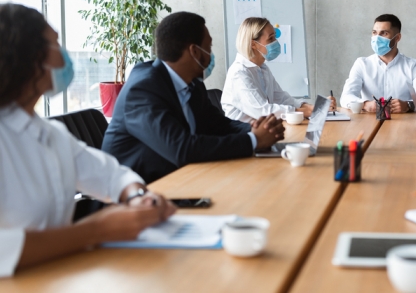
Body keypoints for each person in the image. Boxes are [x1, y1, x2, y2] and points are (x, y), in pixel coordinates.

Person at [0, 3, 175, 278]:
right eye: (56, 45)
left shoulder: (49, 133)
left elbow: (109, 173)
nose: (64, 58)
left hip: (58, 276)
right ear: (28, 57)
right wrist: (99, 229)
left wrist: (137, 196)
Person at [102, 12, 285, 184]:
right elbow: (182, 148)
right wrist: (253, 140)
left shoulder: (192, 84)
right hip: (138, 194)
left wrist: (256, 129)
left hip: (180, 179)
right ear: (195, 52)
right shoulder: (143, 90)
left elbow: (218, 125)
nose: (211, 54)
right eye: (209, 47)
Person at [221, 17, 336, 122]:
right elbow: (263, 111)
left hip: (263, 132)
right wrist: (308, 111)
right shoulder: (239, 73)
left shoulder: (262, 68)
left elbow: (282, 99)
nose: (275, 42)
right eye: (270, 38)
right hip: (244, 137)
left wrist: (313, 106)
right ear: (253, 44)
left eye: (275, 37)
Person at [340, 14, 416, 113]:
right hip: (369, 123)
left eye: (384, 33)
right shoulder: (362, 64)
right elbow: (346, 97)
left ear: (397, 38)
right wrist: (364, 104)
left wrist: (409, 105)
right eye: (374, 33)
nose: (377, 38)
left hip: (403, 123)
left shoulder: (412, 65)